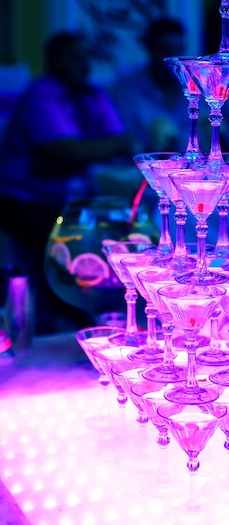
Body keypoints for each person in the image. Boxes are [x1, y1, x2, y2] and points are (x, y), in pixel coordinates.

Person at [0, 30, 134, 333]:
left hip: (75, 196)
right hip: (24, 199)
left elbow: (121, 141)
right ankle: (72, 322)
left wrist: (100, 147)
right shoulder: (41, 95)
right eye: (75, 57)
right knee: (69, 241)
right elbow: (67, 152)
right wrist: (98, 148)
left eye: (85, 56)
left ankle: (115, 316)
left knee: (129, 227)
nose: (83, 64)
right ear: (54, 60)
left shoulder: (93, 94)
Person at [110, 16, 229, 156]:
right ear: (150, 50)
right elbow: (117, 138)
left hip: (207, 171)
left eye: (178, 49)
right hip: (149, 172)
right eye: (165, 50)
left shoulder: (205, 82)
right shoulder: (127, 90)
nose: (174, 58)